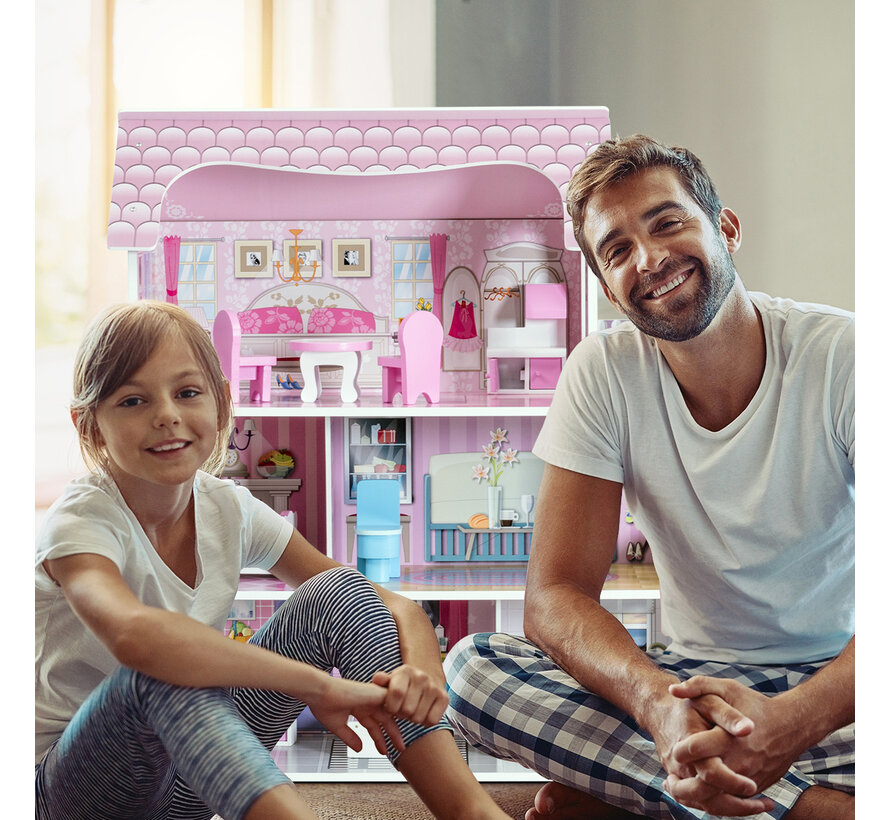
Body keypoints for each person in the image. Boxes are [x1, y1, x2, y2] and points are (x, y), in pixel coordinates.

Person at [445, 135, 854, 819]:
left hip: (843, 690)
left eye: (667, 223)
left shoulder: (846, 356)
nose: (651, 258)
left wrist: (792, 723)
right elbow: (554, 597)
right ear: (608, 287)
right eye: (618, 250)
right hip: (687, 683)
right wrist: (657, 706)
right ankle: (811, 810)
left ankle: (645, 794)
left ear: (725, 227)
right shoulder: (603, 372)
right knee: (471, 671)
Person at [35, 301, 511, 820]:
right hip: (75, 793)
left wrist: (424, 676)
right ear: (91, 425)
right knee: (159, 672)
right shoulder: (80, 521)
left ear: (220, 402)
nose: (167, 414)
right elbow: (136, 638)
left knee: (340, 592)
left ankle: (473, 812)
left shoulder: (226, 508)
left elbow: (386, 603)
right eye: (132, 400)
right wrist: (317, 686)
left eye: (188, 392)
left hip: (185, 779)